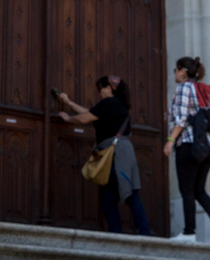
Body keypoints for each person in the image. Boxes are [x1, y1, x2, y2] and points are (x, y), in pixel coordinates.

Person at [53, 76, 151, 236]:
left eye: (101, 88)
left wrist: (69, 119)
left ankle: (135, 234)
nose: (100, 92)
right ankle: (126, 234)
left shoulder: (110, 103)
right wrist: (69, 103)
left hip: (117, 154)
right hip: (120, 152)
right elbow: (90, 113)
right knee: (111, 196)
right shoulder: (116, 105)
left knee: (127, 195)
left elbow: (85, 118)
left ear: (110, 88)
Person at [163, 57, 210, 245]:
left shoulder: (184, 88)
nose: (174, 73)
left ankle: (189, 233)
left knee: (187, 190)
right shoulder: (202, 90)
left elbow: (181, 119)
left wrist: (170, 141)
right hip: (209, 146)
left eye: (175, 70)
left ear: (182, 71)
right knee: (199, 190)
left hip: (190, 144)